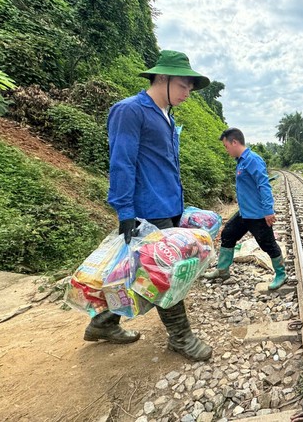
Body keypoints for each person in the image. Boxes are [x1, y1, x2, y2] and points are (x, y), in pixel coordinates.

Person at [84, 50, 213, 362]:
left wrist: (180, 207)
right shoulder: (130, 111)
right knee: (166, 274)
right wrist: (125, 211)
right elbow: (122, 163)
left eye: (190, 89)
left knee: (136, 272)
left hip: (167, 206)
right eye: (184, 86)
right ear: (164, 78)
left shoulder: (166, 116)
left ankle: (103, 322)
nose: (187, 93)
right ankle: (181, 338)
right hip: (146, 209)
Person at [203, 128, 286, 290]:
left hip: (258, 215)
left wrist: (268, 210)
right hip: (244, 214)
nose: (226, 150)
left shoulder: (253, 160)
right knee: (228, 234)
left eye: (226, 146)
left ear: (235, 142)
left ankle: (281, 274)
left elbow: (264, 185)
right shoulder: (241, 161)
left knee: (268, 244)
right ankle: (222, 271)